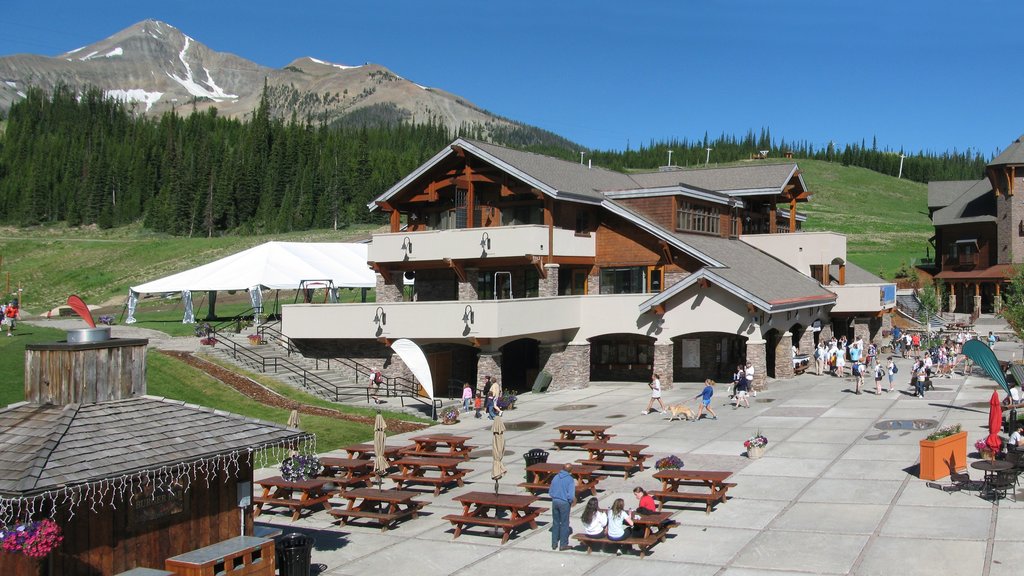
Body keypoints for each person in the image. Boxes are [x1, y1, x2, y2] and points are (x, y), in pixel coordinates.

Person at [549, 463, 575, 551]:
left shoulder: (555, 477)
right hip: (564, 503)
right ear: (570, 470)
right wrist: (571, 502)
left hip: (555, 501)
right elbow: (571, 495)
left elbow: (551, 491)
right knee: (564, 523)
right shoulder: (570, 479)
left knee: (556, 522)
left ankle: (554, 543)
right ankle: (563, 544)